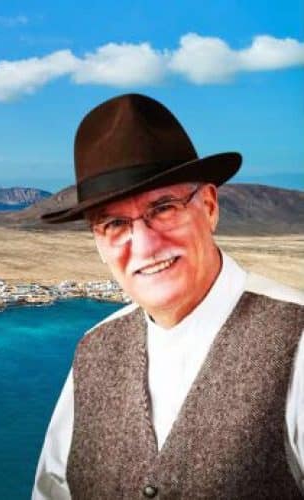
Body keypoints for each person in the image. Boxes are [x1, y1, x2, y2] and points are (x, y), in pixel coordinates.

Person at [31, 93, 304, 499]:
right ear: (98, 243)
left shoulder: (297, 342)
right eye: (114, 224)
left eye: (163, 208)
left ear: (209, 207)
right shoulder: (93, 351)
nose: (144, 245)